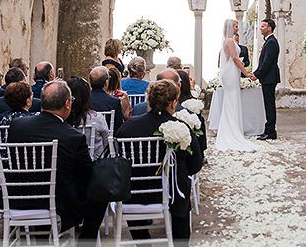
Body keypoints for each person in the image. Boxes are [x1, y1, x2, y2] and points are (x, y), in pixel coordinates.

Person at [6, 80, 107, 238]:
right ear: (67, 104)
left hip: (17, 198)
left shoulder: (17, 126)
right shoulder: (72, 136)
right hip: (57, 203)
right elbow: (87, 174)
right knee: (101, 191)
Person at [116, 80, 204, 241]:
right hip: (170, 194)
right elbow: (196, 164)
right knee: (181, 186)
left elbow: (117, 159)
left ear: (149, 100)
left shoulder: (128, 126)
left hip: (134, 193)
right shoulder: (181, 126)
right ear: (173, 103)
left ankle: (143, 242)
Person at [214, 19, 258, 151]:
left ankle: (233, 129)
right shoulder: (229, 41)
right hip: (231, 72)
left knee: (233, 99)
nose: (237, 28)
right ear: (230, 27)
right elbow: (234, 57)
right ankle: (231, 131)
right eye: (235, 26)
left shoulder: (229, 40)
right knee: (231, 99)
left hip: (233, 72)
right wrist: (246, 72)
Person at [65, 77, 110, 159]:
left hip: (68, 163)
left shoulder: (62, 120)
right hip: (95, 163)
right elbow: (106, 143)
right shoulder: (97, 118)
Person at [255, 17, 281, 140]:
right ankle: (269, 130)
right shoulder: (269, 41)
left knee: (269, 105)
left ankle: (270, 132)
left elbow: (267, 62)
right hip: (268, 77)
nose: (261, 28)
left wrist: (256, 74)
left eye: (263, 26)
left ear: (269, 28)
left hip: (269, 78)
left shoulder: (271, 42)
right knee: (268, 104)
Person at [89, 66, 124, 131]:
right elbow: (118, 127)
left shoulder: (85, 100)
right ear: (106, 82)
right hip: (108, 138)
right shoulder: (114, 102)